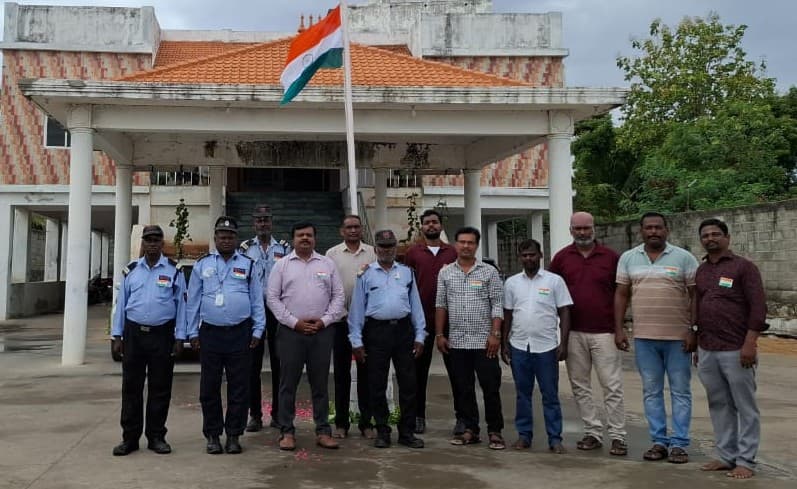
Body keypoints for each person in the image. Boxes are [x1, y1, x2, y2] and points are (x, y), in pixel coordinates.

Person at [614, 212, 699, 464]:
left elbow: (696, 295)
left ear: (666, 230)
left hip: (679, 338)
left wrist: (693, 330)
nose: (654, 231)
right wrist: (619, 328)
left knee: (680, 392)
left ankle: (679, 444)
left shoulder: (684, 257)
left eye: (658, 227)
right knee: (651, 392)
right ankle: (659, 442)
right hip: (644, 338)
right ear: (641, 231)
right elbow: (621, 294)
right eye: (649, 228)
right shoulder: (628, 258)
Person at [549, 212, 628, 456]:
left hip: (605, 332)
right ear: (570, 230)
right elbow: (552, 293)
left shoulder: (611, 257)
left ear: (594, 228)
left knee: (612, 386)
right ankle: (592, 432)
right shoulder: (561, 258)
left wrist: (619, 328)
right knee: (580, 385)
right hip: (573, 332)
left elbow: (622, 294)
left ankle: (618, 436)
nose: (582, 232)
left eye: (586, 228)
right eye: (578, 228)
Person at [695, 218, 768, 479]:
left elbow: (758, 307)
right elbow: (697, 305)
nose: (710, 238)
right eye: (705, 235)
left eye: (716, 234)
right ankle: (726, 456)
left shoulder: (743, 267)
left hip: (736, 348)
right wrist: (696, 340)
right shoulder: (701, 270)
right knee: (719, 404)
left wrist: (750, 343)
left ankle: (746, 461)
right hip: (707, 348)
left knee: (745, 406)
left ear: (727, 237)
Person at [187, 216, 266, 455]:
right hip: (210, 333)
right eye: (222, 235)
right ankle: (213, 435)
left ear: (236, 238)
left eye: (230, 236)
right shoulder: (202, 264)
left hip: (240, 333)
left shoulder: (248, 264)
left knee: (239, 387)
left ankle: (233, 435)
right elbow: (193, 301)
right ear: (215, 238)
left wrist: (258, 329)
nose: (226, 239)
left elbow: (257, 300)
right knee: (209, 388)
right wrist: (192, 331)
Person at [267, 221, 345, 451]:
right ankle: (286, 431)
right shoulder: (282, 265)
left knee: (320, 384)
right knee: (287, 384)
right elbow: (272, 298)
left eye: (309, 235)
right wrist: (294, 323)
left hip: (322, 332)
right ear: (293, 239)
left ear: (314, 238)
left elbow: (338, 296)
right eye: (300, 235)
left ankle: (323, 431)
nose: (305, 238)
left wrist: (324, 321)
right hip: (291, 332)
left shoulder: (327, 264)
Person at [111, 225, 186, 456]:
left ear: (163, 243)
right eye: (148, 240)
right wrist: (116, 335)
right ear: (143, 243)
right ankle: (130, 438)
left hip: (162, 335)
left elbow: (182, 306)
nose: (152, 244)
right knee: (131, 388)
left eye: (156, 240)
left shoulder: (174, 270)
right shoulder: (131, 270)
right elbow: (121, 305)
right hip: (134, 334)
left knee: (160, 388)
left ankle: (156, 437)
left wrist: (180, 337)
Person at [348, 229, 426, 449]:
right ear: (375, 249)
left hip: (403, 331)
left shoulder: (407, 273)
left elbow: (416, 306)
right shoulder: (366, 275)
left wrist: (420, 335)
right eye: (382, 246)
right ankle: (382, 430)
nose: (386, 250)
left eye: (390, 245)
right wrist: (356, 340)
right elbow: (357, 309)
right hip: (376, 332)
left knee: (408, 384)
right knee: (377, 384)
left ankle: (407, 432)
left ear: (395, 248)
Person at [435, 226, 505, 449]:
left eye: (470, 242)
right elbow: (441, 305)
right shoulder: (446, 273)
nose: (466, 246)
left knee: (490, 387)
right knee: (463, 388)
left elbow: (497, 304)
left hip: (484, 342)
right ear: (456, 244)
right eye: (462, 242)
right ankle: (470, 429)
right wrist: (439, 334)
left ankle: (495, 431)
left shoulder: (489, 272)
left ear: (476, 245)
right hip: (457, 341)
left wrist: (495, 334)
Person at [502, 238, 572, 454]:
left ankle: (555, 438)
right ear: (519, 258)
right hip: (519, 346)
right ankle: (524, 436)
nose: (528, 259)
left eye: (532, 254)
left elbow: (565, 311)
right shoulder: (512, 283)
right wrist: (505, 343)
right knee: (522, 394)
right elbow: (508, 314)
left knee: (550, 394)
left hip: (546, 347)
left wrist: (564, 342)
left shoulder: (554, 281)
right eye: (524, 255)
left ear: (540, 255)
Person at [403, 209, 460, 435]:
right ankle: (418, 416)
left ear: (441, 225)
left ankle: (462, 417)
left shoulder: (452, 252)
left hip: (450, 320)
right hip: (421, 321)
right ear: (422, 226)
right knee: (418, 372)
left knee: (457, 371)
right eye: (427, 223)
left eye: (435, 222)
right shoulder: (413, 253)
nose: (431, 226)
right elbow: (407, 284)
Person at [240, 204, 291, 433]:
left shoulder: (284, 248)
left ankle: (278, 414)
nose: (263, 224)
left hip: (277, 309)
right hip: (254, 310)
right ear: (254, 223)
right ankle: (255, 415)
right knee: (253, 365)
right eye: (259, 220)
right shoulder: (245, 248)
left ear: (272, 222)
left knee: (280, 363)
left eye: (266, 220)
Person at [325, 215, 377, 439]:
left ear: (361, 229)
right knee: (341, 374)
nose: (353, 230)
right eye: (349, 227)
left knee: (366, 373)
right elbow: (327, 287)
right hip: (340, 322)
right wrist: (341, 313)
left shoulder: (372, 253)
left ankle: (366, 423)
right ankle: (341, 423)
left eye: (356, 227)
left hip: (366, 323)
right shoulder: (332, 254)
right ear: (342, 231)